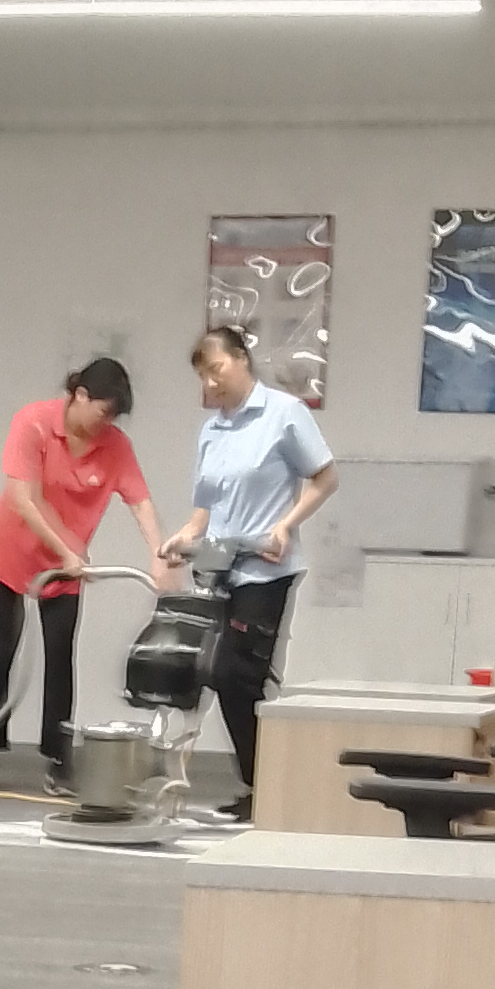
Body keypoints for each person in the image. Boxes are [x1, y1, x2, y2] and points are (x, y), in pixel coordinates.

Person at [0, 357, 170, 784]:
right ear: (80, 396)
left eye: (113, 418)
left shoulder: (115, 446)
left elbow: (140, 501)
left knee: (60, 655)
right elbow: (24, 498)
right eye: (103, 412)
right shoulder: (33, 424)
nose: (106, 424)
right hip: (13, 553)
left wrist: (158, 555)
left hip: (67, 567)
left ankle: (59, 757)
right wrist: (65, 550)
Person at [164, 323, 337, 813]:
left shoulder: (284, 413)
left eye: (217, 369)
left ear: (242, 358)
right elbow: (205, 507)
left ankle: (270, 785)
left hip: (265, 568)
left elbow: (326, 477)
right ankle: (260, 784)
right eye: (203, 376)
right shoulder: (212, 430)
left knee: (237, 674)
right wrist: (183, 537)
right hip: (219, 566)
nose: (211, 383)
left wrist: (285, 525)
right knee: (210, 672)